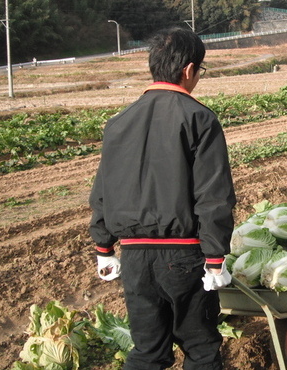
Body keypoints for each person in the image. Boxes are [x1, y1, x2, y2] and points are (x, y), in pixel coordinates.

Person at [89, 27, 236, 370]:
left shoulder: (118, 122)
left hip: (135, 258)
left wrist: (103, 247)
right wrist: (215, 257)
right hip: (183, 254)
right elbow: (213, 195)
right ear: (188, 70)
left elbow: (102, 190)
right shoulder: (199, 117)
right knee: (200, 349)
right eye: (200, 70)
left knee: (147, 351)